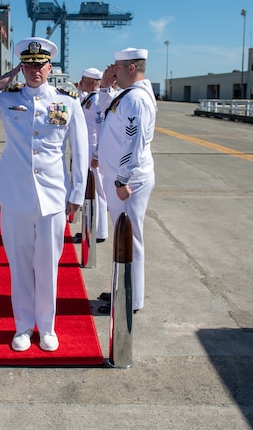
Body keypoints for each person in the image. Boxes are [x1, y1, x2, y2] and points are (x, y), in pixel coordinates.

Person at [0, 37, 89, 352]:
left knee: (48, 264)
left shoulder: (67, 100)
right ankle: (22, 326)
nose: (35, 70)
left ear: (50, 67)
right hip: (17, 195)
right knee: (19, 264)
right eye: (29, 65)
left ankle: (46, 327)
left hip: (52, 196)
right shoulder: (8, 98)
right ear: (22, 67)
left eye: (40, 64)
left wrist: (77, 191)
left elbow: (80, 149)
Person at [96, 48, 157, 314]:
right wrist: (105, 87)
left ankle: (130, 298)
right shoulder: (129, 96)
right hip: (121, 178)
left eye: (117, 67)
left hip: (128, 181)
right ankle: (124, 289)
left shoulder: (135, 99)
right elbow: (108, 113)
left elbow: (134, 141)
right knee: (125, 237)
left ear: (131, 68)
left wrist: (122, 179)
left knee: (129, 238)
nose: (113, 71)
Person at [78, 68, 108, 243]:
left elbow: (101, 129)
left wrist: (97, 154)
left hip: (93, 150)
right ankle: (91, 229)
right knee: (89, 191)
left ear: (91, 82)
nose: (80, 81)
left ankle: (99, 232)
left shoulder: (96, 101)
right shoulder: (88, 98)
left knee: (97, 192)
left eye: (83, 79)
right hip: (87, 150)